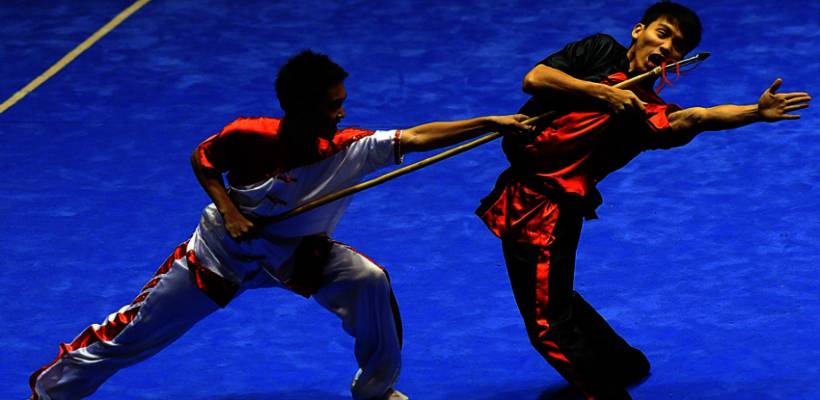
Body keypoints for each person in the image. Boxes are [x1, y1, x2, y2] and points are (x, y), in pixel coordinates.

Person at [29, 50, 532, 400]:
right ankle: (51, 392)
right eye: (333, 104)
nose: (343, 111)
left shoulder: (350, 148)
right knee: (134, 335)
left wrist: (493, 122)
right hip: (220, 257)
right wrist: (229, 211)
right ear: (303, 108)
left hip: (296, 255)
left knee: (369, 281)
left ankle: (375, 390)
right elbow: (203, 160)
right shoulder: (248, 135)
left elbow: (419, 137)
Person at [475, 1, 811, 399]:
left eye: (677, 47)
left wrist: (754, 111)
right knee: (552, 296)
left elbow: (697, 118)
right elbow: (535, 79)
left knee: (548, 327)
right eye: (662, 34)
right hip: (519, 190)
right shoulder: (598, 50)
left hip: (547, 216)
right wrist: (601, 93)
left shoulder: (645, 113)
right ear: (639, 31)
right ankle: (623, 364)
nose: (667, 47)